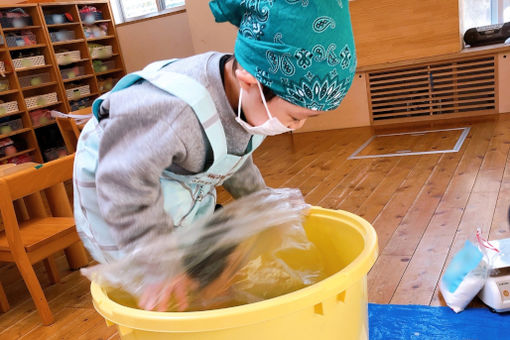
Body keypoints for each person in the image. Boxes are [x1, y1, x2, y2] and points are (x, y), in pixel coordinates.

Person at [74, 0, 357, 311]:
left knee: (217, 256)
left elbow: (233, 155)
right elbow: (123, 180)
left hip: (172, 176)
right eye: (293, 117)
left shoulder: (245, 102)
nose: (295, 127)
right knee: (167, 284)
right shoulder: (175, 114)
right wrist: (157, 263)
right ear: (250, 82)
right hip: (117, 184)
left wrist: (261, 201)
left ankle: (213, 302)